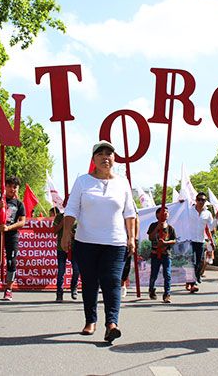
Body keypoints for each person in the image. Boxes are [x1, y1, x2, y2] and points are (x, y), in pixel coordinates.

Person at [61, 140, 136, 343]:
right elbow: (71, 210)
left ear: (114, 158)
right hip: (86, 242)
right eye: (100, 154)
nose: (105, 157)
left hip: (115, 242)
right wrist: (66, 233)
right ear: (93, 159)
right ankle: (90, 320)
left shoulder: (123, 183)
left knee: (112, 282)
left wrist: (132, 238)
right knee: (90, 282)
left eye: (109, 154)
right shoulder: (83, 181)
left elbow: (130, 213)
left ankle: (111, 323)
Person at [0, 176, 26, 301]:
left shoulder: (19, 204)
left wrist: (9, 228)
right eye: (10, 186)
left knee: (11, 261)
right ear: (5, 187)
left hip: (11, 236)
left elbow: (22, 222)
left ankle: (9, 289)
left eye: (15, 187)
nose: (12, 189)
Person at [185, 192, 215, 293]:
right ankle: (192, 283)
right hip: (189, 240)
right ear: (196, 200)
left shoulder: (207, 213)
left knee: (199, 262)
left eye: (203, 200)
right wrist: (180, 204)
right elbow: (180, 217)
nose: (201, 202)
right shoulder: (188, 210)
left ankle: (193, 280)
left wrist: (217, 218)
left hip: (200, 240)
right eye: (199, 199)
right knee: (190, 262)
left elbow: (211, 227)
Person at [147, 206, 177, 303]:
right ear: (157, 215)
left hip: (166, 254)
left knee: (167, 274)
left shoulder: (170, 228)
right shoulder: (153, 225)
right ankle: (151, 289)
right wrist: (157, 229)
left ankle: (167, 294)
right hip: (155, 254)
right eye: (163, 212)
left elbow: (174, 240)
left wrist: (165, 243)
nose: (165, 214)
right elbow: (150, 237)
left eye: (167, 212)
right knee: (154, 274)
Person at [51, 205, 79, 302]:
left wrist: (73, 234)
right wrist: (62, 223)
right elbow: (54, 231)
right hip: (61, 248)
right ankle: (59, 293)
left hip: (75, 248)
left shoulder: (79, 217)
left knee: (76, 270)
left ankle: (74, 288)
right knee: (61, 271)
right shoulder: (59, 216)